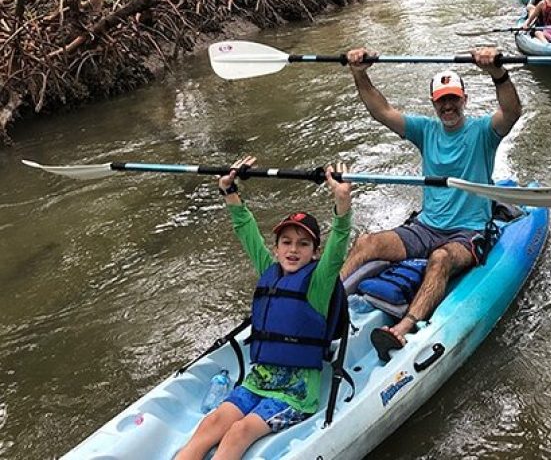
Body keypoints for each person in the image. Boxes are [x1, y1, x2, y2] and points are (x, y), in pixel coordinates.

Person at [341, 47, 522, 360]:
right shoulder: (424, 130)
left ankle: (401, 329)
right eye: (442, 100)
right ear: (434, 103)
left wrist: (498, 74)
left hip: (467, 233)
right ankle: (321, 299)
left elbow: (511, 112)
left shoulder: (482, 132)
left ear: (464, 99)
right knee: (367, 242)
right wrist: (360, 73)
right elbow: (381, 111)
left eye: (453, 98)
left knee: (439, 259)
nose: (448, 105)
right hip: (425, 226)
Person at [176, 157, 352, 460]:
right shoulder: (268, 270)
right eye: (286, 242)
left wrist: (342, 201)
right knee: (213, 422)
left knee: (238, 432)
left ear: (314, 253)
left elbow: (339, 243)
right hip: (261, 378)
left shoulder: (319, 283)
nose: (293, 250)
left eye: (303, 244)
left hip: (296, 391)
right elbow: (247, 231)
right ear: (276, 247)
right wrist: (229, 191)